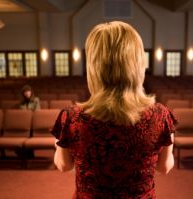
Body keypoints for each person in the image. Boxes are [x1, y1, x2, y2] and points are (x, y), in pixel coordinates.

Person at [51, 21, 177, 198]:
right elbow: (164, 167)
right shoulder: (161, 115)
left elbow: (64, 166)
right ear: (137, 64)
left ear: (94, 67)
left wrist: (57, 143)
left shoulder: (72, 118)